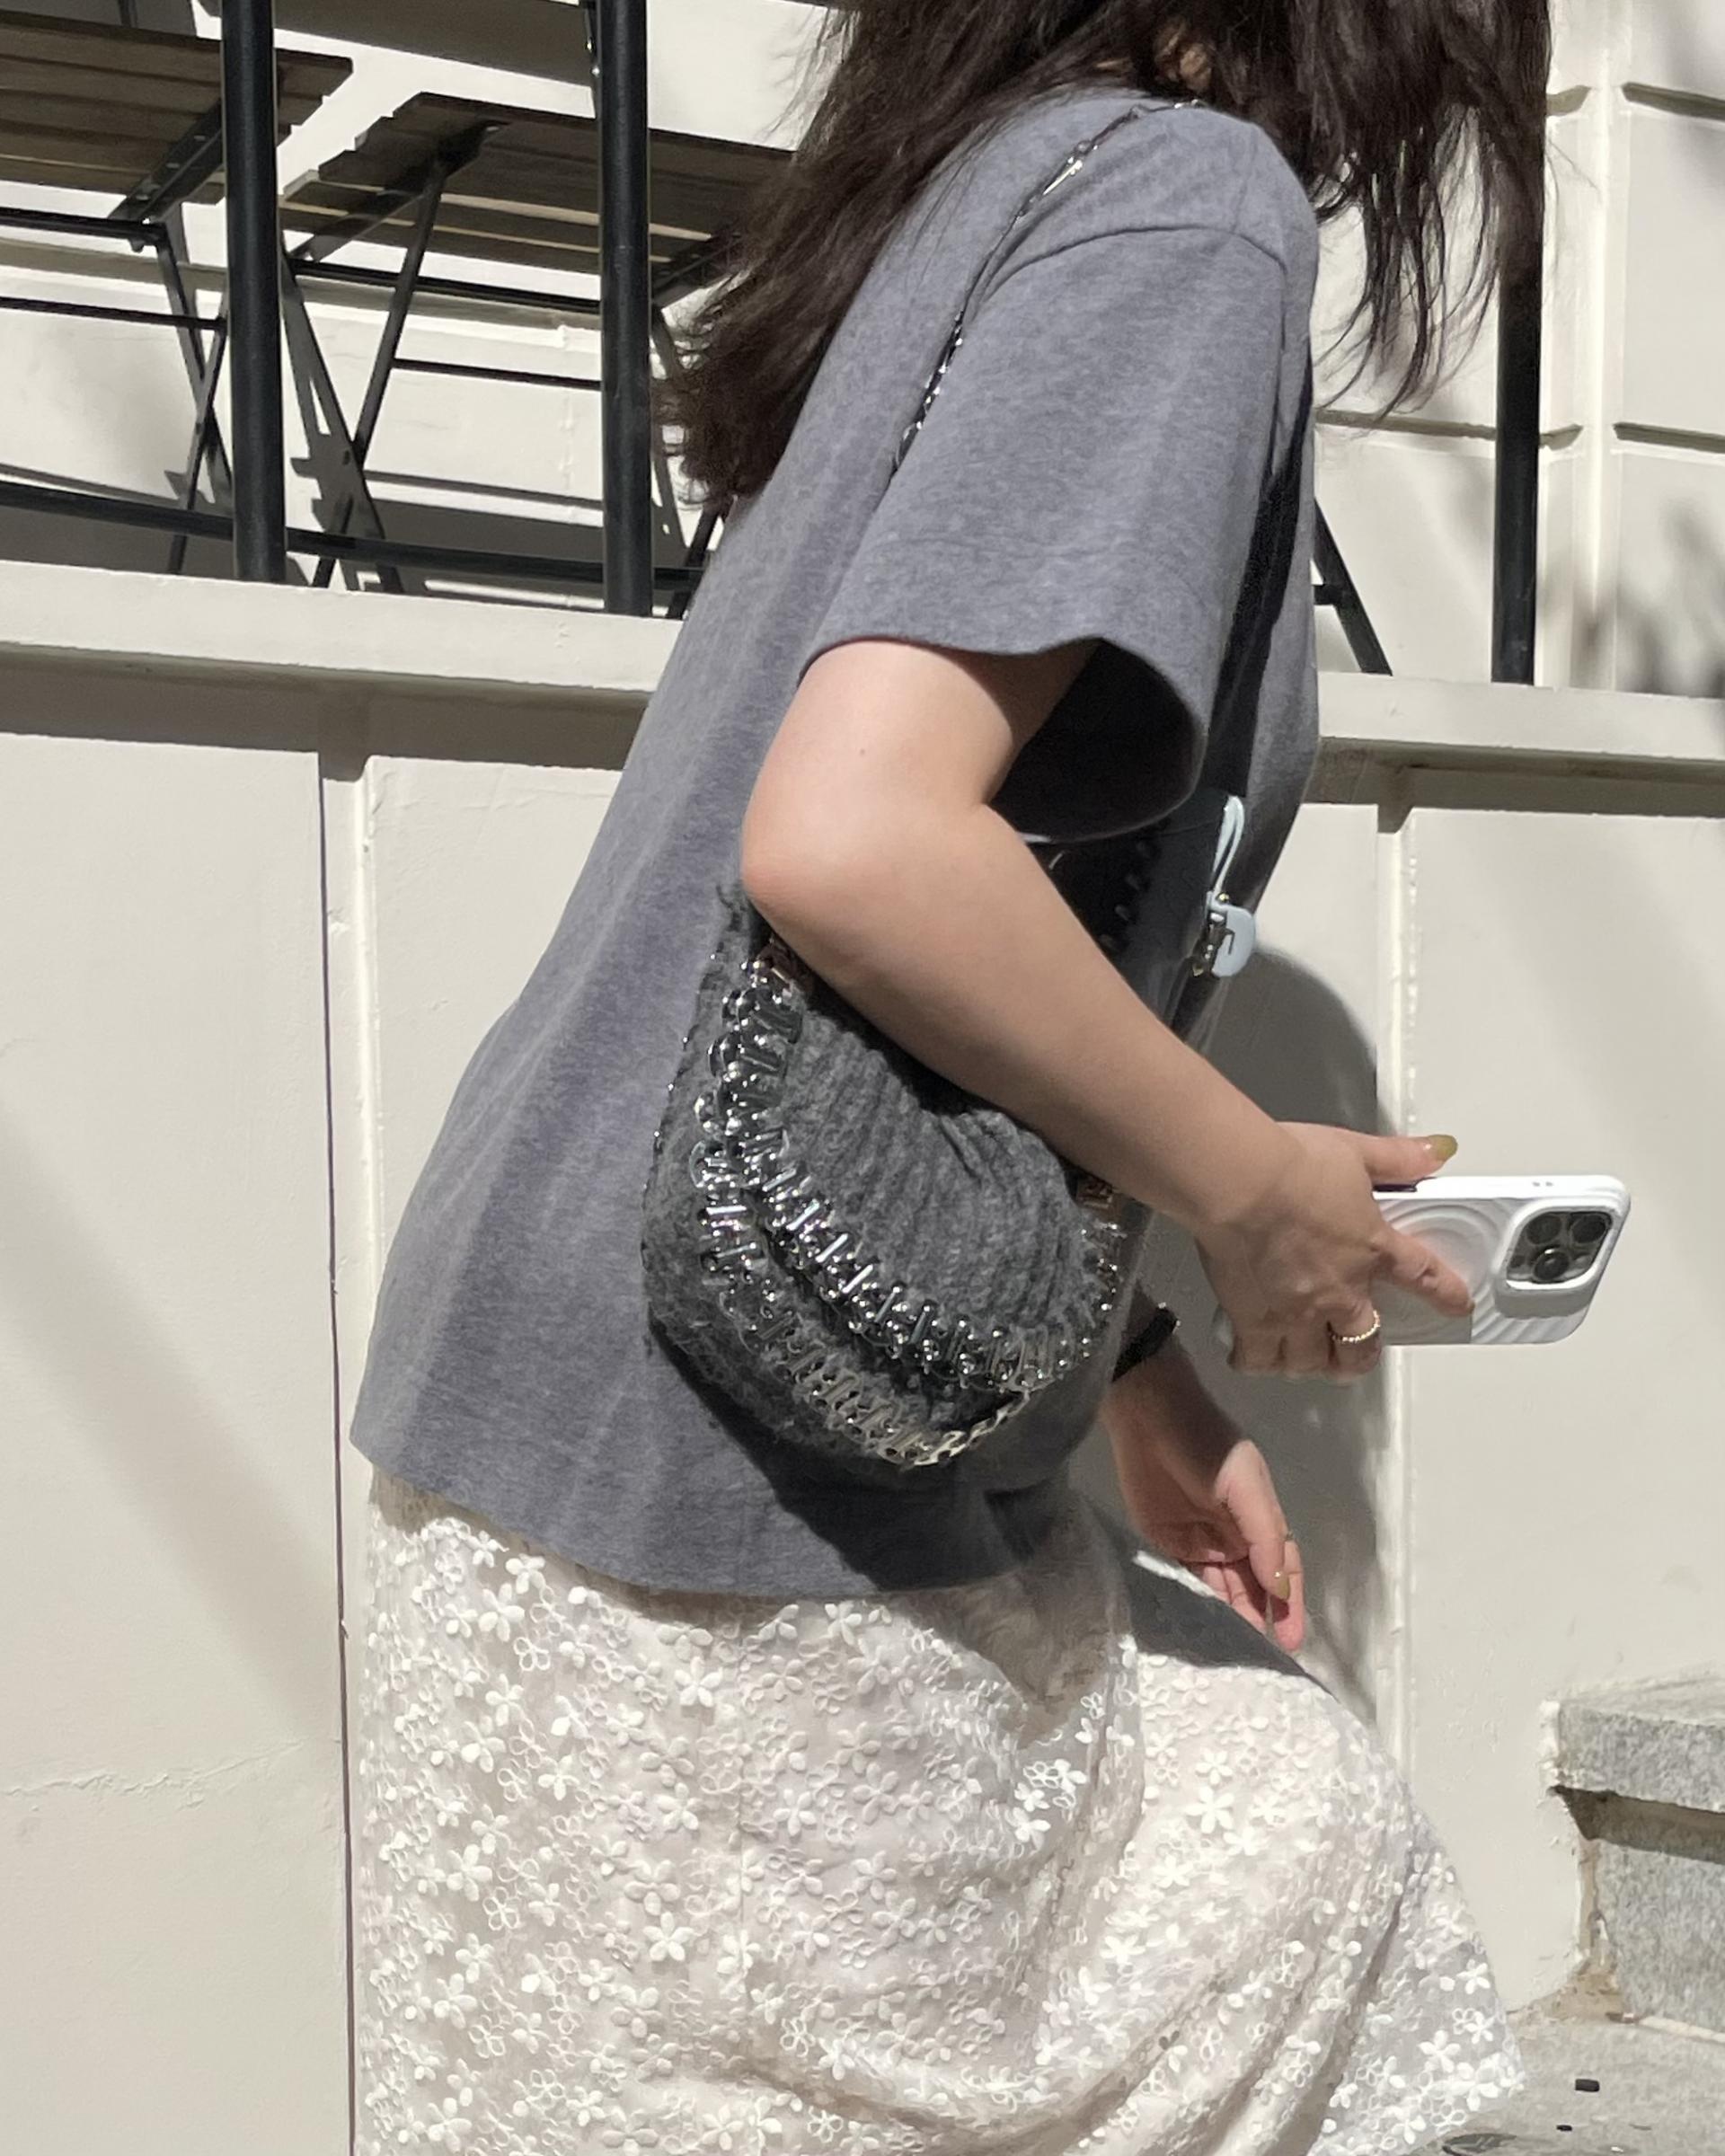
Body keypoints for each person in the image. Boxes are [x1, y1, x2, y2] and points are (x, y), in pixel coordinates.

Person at [346, 3, 1551, 2150]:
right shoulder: (1187, 201)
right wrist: (1248, 1188)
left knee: (1283, 1855)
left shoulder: (990, 184)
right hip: (730, 1454)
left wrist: (1138, 1367)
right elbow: (862, 845)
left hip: (581, 1373)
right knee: (1296, 1894)